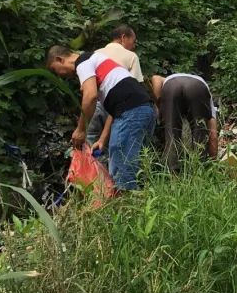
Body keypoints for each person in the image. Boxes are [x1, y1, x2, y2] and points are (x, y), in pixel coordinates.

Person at [46, 45, 156, 192]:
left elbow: (90, 96)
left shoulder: (83, 62)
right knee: (135, 165)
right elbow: (115, 109)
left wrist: (80, 130)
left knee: (122, 165)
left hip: (132, 112)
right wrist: (102, 140)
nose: (59, 75)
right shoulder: (98, 62)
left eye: (55, 70)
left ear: (60, 59)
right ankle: (140, 204)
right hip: (144, 110)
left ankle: (128, 209)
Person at [86, 24, 144, 150]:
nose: (133, 46)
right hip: (118, 105)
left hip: (96, 103)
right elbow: (135, 86)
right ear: (123, 37)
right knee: (114, 142)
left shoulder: (95, 54)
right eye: (133, 42)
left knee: (90, 138)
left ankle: (91, 168)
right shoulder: (131, 56)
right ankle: (109, 169)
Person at [150, 73, 219, 171]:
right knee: (199, 132)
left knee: (171, 133)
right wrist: (214, 163)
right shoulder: (209, 99)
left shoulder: (168, 78)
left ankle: (173, 176)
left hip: (171, 86)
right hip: (197, 88)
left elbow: (155, 78)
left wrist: (160, 106)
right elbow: (213, 136)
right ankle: (201, 171)